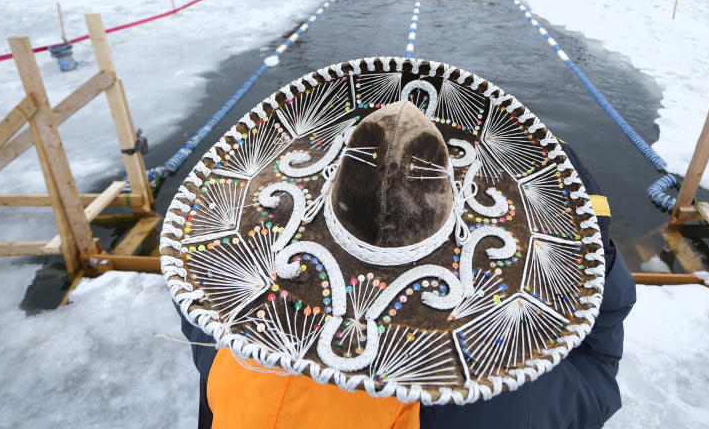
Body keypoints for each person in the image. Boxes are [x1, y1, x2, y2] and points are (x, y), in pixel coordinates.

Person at [173, 63, 636, 429]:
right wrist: (599, 258)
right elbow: (594, 377)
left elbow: (199, 307)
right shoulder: (513, 397)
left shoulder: (235, 351)